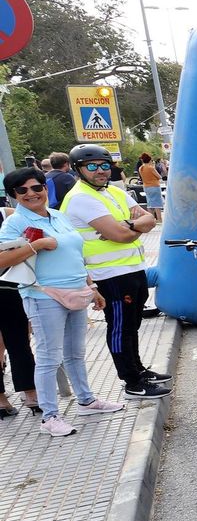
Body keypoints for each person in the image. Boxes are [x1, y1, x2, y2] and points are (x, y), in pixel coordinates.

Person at [0, 167, 126, 436]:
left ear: (46, 188)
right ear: (14, 195)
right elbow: (1, 261)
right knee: (48, 357)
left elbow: (76, 255)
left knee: (75, 353)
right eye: (23, 190)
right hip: (43, 295)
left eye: (37, 187)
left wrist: (92, 287)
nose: (32, 194)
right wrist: (38, 245)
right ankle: (50, 416)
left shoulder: (58, 216)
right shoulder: (14, 223)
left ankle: (86, 400)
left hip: (77, 290)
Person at [61, 145, 171, 399]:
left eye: (104, 165)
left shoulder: (112, 191)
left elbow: (150, 219)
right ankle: (132, 382)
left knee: (133, 324)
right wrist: (131, 227)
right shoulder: (81, 198)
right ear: (78, 169)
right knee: (120, 327)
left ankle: (139, 370)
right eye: (92, 166)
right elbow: (119, 235)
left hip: (131, 269)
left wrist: (129, 224)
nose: (100, 171)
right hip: (108, 275)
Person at [0, 198, 39, 417]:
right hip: (8, 286)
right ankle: (2, 398)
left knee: (19, 341)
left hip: (8, 286)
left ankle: (30, 392)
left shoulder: (7, 215)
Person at [138, 153, 164, 222]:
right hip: (154, 186)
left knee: (150, 203)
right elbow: (159, 177)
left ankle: (151, 219)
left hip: (146, 187)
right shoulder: (150, 168)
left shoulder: (141, 168)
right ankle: (159, 219)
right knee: (157, 203)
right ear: (149, 160)